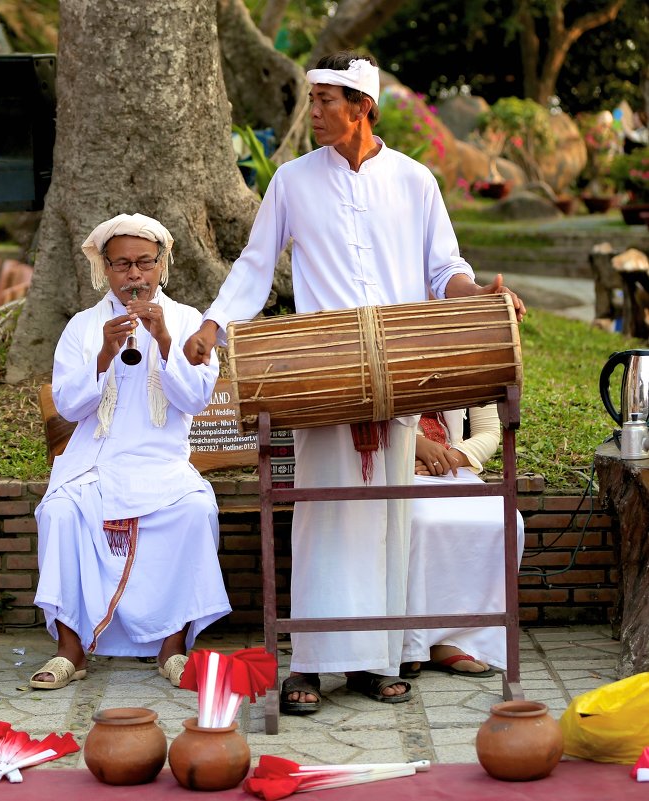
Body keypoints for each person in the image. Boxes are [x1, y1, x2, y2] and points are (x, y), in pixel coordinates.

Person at [182, 51, 526, 714]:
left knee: (387, 518)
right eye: (310, 100)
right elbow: (254, 269)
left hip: (397, 369)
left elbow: (441, 270)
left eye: (325, 101)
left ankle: (377, 659)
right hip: (322, 368)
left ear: (362, 106)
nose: (312, 113)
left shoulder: (414, 180)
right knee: (324, 517)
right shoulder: (290, 181)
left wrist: (477, 293)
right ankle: (309, 664)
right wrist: (212, 325)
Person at [30, 213, 231, 691]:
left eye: (144, 262)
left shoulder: (187, 322)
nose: (134, 275)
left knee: (195, 511)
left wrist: (164, 342)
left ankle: (173, 648)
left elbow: (196, 400)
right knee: (59, 513)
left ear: (162, 264)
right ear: (105, 268)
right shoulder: (83, 326)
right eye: (122, 264)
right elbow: (69, 404)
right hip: (95, 463)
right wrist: (102, 354)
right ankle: (70, 649)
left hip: (162, 464)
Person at [401, 406, 525, 678]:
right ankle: (411, 643)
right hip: (397, 466)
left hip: (452, 468)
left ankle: (459, 639)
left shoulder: (473, 363)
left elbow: (490, 432)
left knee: (505, 520)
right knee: (423, 522)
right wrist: (415, 445)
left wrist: (450, 458)